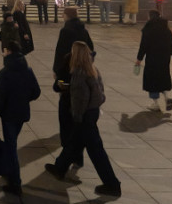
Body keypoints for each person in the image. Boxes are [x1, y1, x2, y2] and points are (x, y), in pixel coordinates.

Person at [45, 41, 121, 197]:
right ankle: (60, 168)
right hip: (92, 112)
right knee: (73, 143)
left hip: (84, 116)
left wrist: (77, 118)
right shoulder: (93, 70)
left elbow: (80, 100)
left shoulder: (79, 74)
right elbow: (101, 93)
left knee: (96, 151)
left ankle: (112, 184)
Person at [0, 40, 41, 196]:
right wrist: (23, 98)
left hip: (9, 114)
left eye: (5, 50)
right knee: (11, 143)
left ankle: (15, 182)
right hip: (22, 113)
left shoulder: (5, 73)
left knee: (11, 148)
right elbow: (36, 92)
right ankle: (8, 169)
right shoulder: (27, 70)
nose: (3, 53)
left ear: (9, 52)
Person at [52, 7, 94, 167]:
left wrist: (57, 71)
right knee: (77, 118)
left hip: (68, 74)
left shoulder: (66, 31)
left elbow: (59, 52)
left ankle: (67, 153)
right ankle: (78, 157)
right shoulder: (83, 30)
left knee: (65, 117)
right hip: (82, 74)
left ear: (67, 16)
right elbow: (91, 48)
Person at [136, 10, 172, 111]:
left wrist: (139, 59)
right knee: (163, 77)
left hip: (152, 58)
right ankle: (167, 97)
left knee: (152, 80)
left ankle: (155, 103)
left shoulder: (148, 29)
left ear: (150, 17)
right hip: (164, 58)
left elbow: (143, 46)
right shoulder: (167, 30)